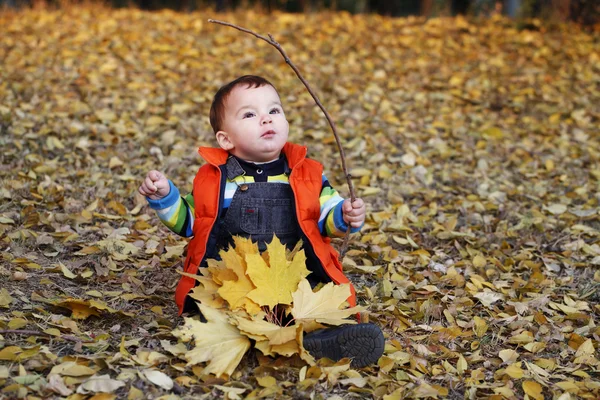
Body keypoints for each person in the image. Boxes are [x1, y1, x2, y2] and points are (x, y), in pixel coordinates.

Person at [138, 75, 384, 367]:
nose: (266, 119)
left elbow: (325, 218)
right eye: (250, 114)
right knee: (220, 306)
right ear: (226, 139)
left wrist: (344, 215)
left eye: (274, 111)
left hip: (296, 275)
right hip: (237, 279)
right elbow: (190, 222)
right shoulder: (216, 180)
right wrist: (166, 198)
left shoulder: (309, 175)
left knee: (316, 301)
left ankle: (324, 339)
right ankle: (243, 336)